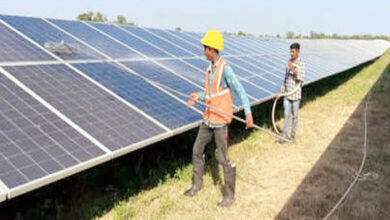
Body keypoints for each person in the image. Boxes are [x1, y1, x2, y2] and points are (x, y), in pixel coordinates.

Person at [184, 30, 254, 207]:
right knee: (196, 149)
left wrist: (248, 113)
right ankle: (197, 185)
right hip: (208, 119)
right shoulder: (209, 69)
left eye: (205, 48)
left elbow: (240, 90)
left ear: (212, 50)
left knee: (222, 158)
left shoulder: (225, 69)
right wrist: (197, 96)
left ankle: (229, 195)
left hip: (220, 121)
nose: (203, 51)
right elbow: (211, 94)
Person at [276, 43, 305, 143]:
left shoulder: (301, 63)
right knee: (286, 114)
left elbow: (301, 78)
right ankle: (285, 136)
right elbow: (285, 79)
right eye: (290, 51)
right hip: (287, 95)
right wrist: (281, 91)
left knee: (295, 116)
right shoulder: (288, 62)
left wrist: (292, 68)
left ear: (298, 52)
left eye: (293, 51)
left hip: (296, 95)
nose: (291, 53)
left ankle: (292, 136)